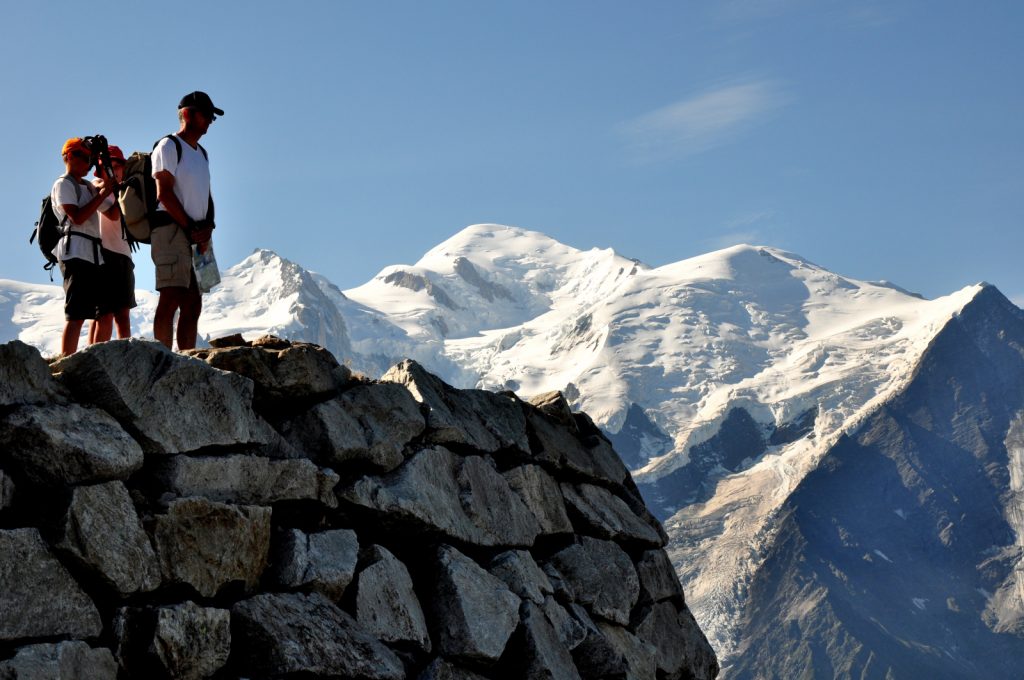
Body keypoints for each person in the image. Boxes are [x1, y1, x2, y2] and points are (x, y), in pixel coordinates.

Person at [151, 90, 223, 350]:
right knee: (171, 295)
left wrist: (208, 228)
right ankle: (161, 358)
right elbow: (164, 193)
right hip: (171, 230)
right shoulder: (169, 146)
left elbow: (207, 195)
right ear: (188, 114)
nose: (210, 121)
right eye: (207, 115)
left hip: (197, 234)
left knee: (193, 302)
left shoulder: (202, 153)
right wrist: (193, 228)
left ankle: (187, 359)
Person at [51, 137, 119, 356]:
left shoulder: (88, 186)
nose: (87, 163)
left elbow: (114, 213)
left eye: (90, 159)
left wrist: (108, 182)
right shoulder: (63, 183)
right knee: (77, 313)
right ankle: (66, 361)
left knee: (104, 311)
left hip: (92, 254)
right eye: (82, 156)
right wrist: (102, 192)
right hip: (75, 251)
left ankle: (95, 360)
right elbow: (77, 217)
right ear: (68, 156)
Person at [89, 145, 135, 343]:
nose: (114, 170)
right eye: (110, 166)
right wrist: (115, 190)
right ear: (99, 170)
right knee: (104, 315)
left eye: (118, 166)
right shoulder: (96, 186)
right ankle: (95, 361)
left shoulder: (123, 190)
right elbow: (113, 213)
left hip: (124, 256)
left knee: (123, 316)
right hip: (103, 256)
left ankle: (126, 358)